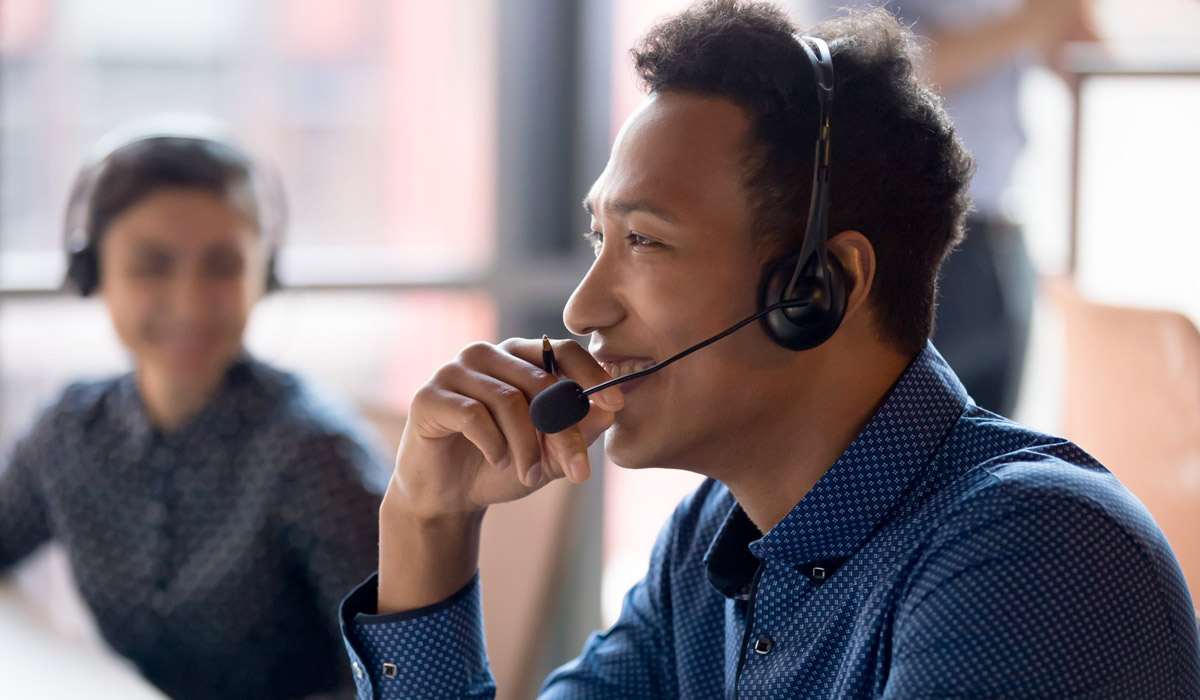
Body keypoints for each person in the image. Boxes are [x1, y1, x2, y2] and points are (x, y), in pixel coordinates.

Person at [338, 2, 1200, 698]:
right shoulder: (717, 540)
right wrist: (426, 527)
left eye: (645, 242)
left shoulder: (1032, 559)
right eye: (598, 237)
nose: (582, 305)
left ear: (816, 287)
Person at [0, 126, 387, 700]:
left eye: (223, 265)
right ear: (92, 273)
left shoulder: (313, 452)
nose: (190, 301)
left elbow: (389, 677)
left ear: (265, 273)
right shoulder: (68, 433)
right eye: (152, 265)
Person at [889, 0, 1098, 417]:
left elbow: (1087, 67)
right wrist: (1028, 22)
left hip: (1003, 236)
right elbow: (877, 72)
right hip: (911, 238)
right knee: (904, 442)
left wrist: (1062, 19)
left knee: (999, 447)